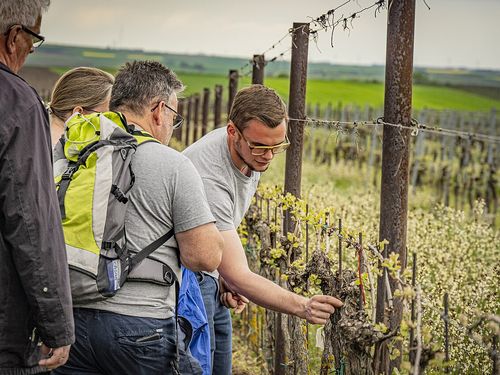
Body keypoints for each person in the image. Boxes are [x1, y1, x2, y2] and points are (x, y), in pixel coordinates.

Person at [53, 60, 224, 375]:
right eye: (174, 116)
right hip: (141, 327)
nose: (173, 126)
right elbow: (204, 257)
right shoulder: (172, 164)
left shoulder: (73, 152)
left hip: (70, 322)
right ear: (159, 110)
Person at [183, 84, 344, 374]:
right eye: (260, 146)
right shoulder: (209, 176)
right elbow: (240, 275)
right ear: (233, 132)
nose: (268, 156)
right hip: (187, 282)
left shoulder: (251, 154)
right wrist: (303, 306)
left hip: (209, 274)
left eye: (277, 147)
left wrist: (223, 277)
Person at [0, 0, 75, 374]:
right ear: (14, 37)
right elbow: (30, 221)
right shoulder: (16, 102)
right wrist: (56, 323)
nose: (31, 51)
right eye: (33, 41)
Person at [48, 67, 114, 146]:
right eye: (106, 116)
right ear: (78, 113)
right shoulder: (70, 152)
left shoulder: (40, 133)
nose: (110, 124)